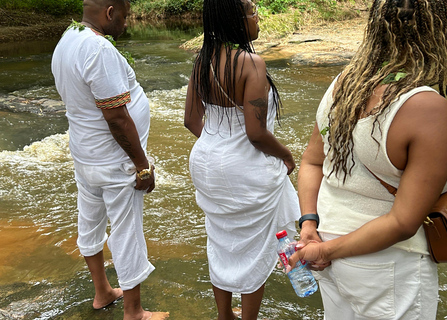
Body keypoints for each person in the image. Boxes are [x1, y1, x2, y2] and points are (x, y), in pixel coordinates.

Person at [289, 0, 447, 319]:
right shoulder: (427, 108)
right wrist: (323, 249)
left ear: (376, 27)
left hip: (328, 248)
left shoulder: (346, 82)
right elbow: (402, 222)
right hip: (386, 267)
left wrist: (309, 226)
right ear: (439, 30)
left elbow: (312, 162)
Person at [51, 0, 169, 319]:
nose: (127, 23)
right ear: (109, 12)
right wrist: (142, 165)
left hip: (86, 155)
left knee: (89, 222)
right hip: (114, 162)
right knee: (126, 231)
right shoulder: (98, 49)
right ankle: (135, 312)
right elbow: (116, 118)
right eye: (126, 16)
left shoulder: (67, 39)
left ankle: (103, 292)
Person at [184, 0, 300, 319]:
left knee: (220, 240)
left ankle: (225, 315)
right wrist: (288, 157)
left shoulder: (201, 60)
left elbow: (192, 121)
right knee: (255, 246)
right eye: (252, 10)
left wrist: (217, 148)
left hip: (206, 164)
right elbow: (256, 133)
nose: (257, 16)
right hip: (243, 168)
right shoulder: (251, 63)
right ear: (235, 19)